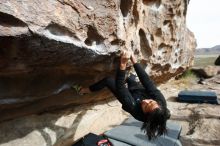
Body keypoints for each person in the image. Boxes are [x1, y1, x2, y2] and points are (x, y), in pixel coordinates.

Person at [80, 50, 170, 140]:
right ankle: (129, 81)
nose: (145, 101)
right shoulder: (160, 101)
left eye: (146, 106)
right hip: (138, 91)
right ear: (158, 103)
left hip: (132, 100)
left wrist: (123, 63)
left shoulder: (134, 109)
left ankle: (84, 90)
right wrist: (134, 60)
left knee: (108, 80)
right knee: (131, 79)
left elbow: (120, 88)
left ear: (145, 114)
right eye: (150, 101)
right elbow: (147, 81)